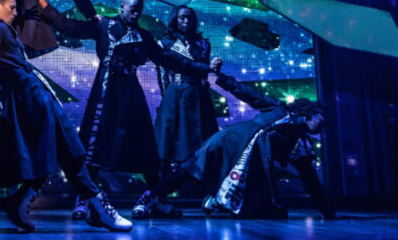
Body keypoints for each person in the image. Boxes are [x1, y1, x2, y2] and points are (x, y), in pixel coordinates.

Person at [38, 0, 221, 219]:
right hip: (105, 91)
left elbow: (170, 60)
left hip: (131, 93)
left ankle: (156, 198)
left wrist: (205, 69)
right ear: (122, 6)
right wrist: (42, 4)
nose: (135, 13)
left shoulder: (144, 36)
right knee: (95, 144)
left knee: (145, 145)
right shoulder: (104, 25)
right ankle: (85, 198)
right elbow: (68, 26)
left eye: (139, 9)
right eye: (132, 8)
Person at [0, 0, 131, 232]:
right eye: (12, 7)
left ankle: (21, 201)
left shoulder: (0, 28)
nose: (15, 12)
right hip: (31, 99)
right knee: (67, 149)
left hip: (34, 98)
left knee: (58, 150)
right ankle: (100, 209)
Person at [136, 72, 334, 220]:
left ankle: (216, 199)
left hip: (248, 165)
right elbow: (252, 95)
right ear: (312, 113)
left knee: (267, 212)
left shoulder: (300, 142)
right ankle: (148, 198)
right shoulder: (281, 109)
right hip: (231, 141)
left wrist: (327, 211)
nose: (322, 128)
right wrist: (223, 80)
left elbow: (310, 178)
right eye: (322, 122)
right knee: (189, 168)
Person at [154, 6, 219, 172]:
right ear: (175, 19)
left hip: (199, 93)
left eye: (190, 18)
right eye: (182, 17)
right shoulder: (165, 43)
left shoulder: (203, 44)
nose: (186, 21)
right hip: (175, 93)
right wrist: (166, 97)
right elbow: (162, 73)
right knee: (170, 138)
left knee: (202, 135)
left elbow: (204, 71)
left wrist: (213, 69)